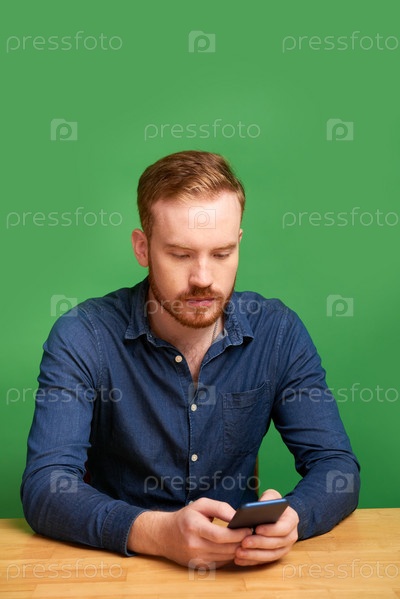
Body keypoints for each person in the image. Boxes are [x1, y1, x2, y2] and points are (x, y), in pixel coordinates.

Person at [21, 150, 360, 569]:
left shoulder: (278, 333)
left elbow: (336, 467)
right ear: (142, 248)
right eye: (181, 255)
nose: (203, 278)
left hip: (239, 570)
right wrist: (157, 533)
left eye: (221, 254)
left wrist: (295, 516)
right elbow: (46, 486)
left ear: (239, 243)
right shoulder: (83, 336)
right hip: (122, 572)